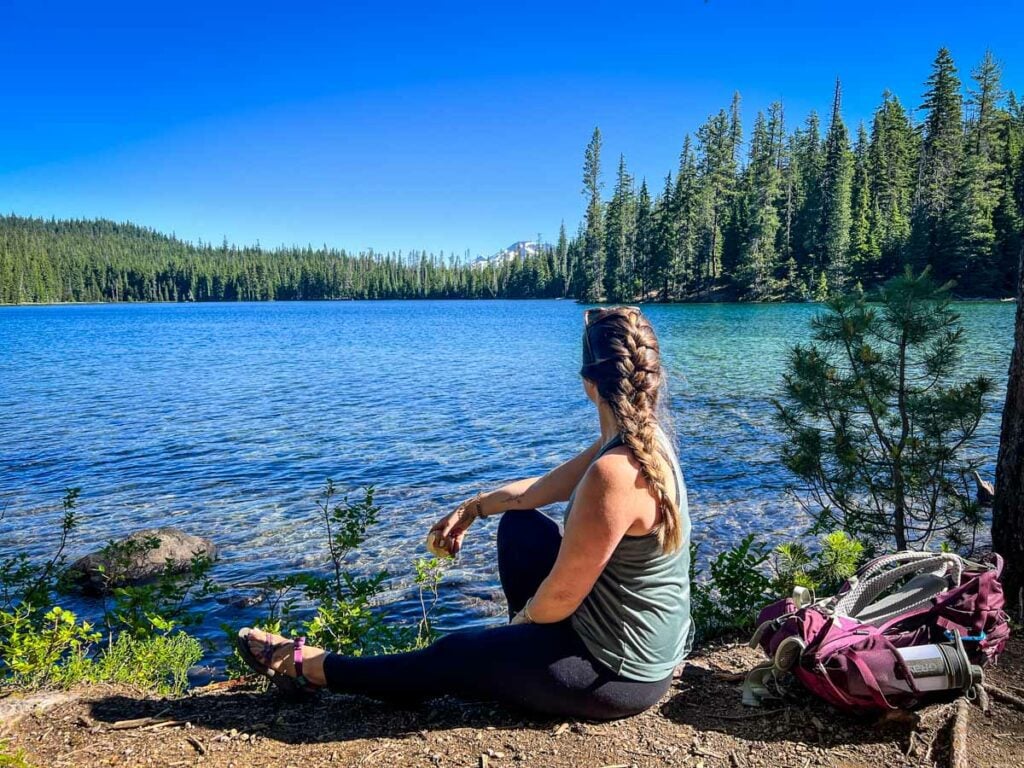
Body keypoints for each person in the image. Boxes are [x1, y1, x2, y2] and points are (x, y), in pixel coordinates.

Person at [237, 306, 693, 720]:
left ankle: (315, 668)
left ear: (588, 383)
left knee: (455, 653)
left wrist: (518, 627)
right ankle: (517, 662)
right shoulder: (643, 441)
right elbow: (539, 491)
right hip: (633, 650)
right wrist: (473, 508)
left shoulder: (614, 473)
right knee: (520, 525)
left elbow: (560, 599)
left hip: (617, 677)